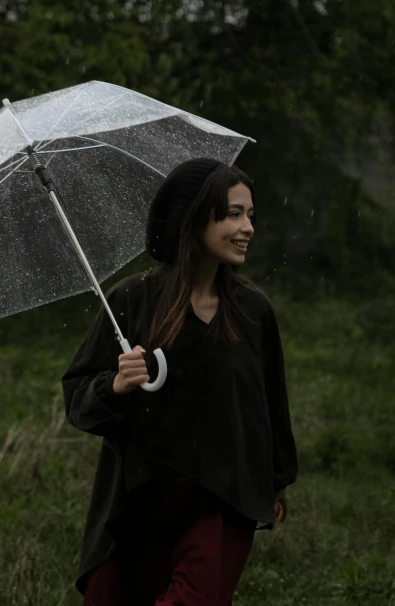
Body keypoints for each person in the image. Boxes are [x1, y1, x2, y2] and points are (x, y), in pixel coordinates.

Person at [61, 158, 298, 606]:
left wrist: (277, 478)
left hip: (222, 498)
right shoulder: (132, 300)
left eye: (250, 215)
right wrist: (116, 385)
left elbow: (269, 400)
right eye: (233, 214)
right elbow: (77, 394)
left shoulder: (253, 309)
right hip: (141, 496)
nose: (248, 227)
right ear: (195, 217)